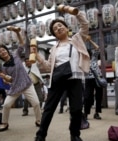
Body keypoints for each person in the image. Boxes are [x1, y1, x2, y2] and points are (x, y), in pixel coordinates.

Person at [33, 10, 90, 141]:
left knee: (76, 109)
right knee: (49, 108)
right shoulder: (53, 49)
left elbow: (85, 24)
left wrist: (74, 12)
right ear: (54, 34)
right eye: (55, 28)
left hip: (74, 78)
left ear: (66, 27)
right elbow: (48, 67)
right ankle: (41, 135)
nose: (58, 28)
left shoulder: (76, 39)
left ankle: (74, 134)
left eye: (60, 25)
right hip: (58, 79)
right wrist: (38, 56)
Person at [0, 26, 42, 132]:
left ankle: (38, 120)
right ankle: (4, 123)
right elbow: (9, 80)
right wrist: (5, 78)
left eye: (3, 50)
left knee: (36, 103)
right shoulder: (3, 67)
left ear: (6, 50)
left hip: (26, 84)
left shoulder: (15, 55)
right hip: (15, 87)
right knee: (6, 105)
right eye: (0, 52)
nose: (3, 52)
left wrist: (17, 32)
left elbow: (22, 43)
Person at [83, 48, 103, 120]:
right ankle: (86, 113)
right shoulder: (82, 61)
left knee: (99, 96)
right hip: (88, 79)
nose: (87, 55)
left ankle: (97, 113)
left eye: (89, 53)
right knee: (87, 97)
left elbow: (98, 48)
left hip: (98, 78)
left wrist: (90, 40)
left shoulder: (94, 58)